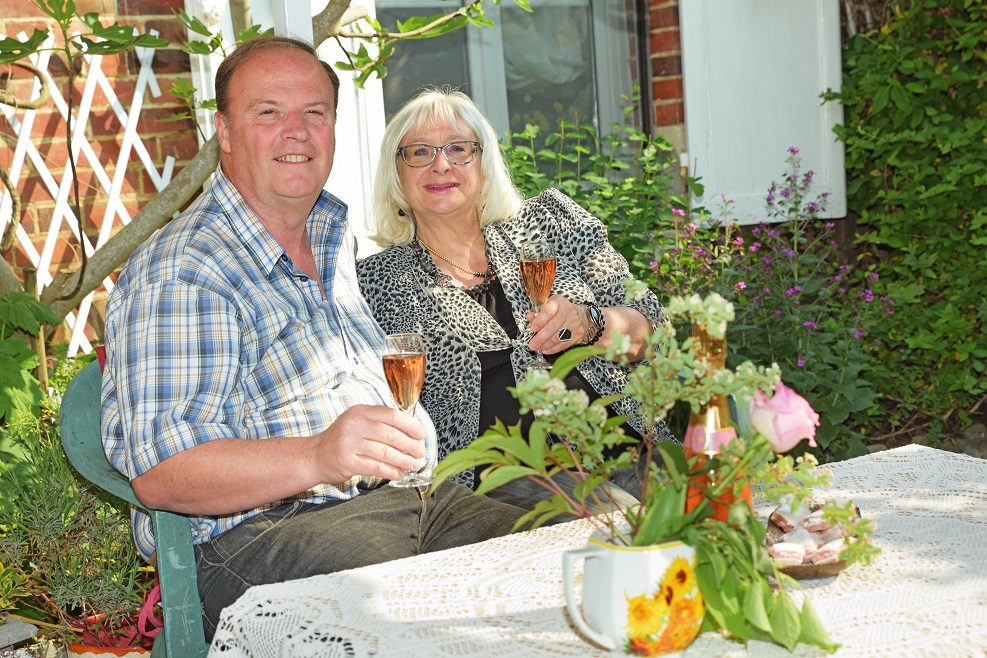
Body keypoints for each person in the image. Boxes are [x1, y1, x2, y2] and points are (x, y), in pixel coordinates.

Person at [100, 38, 527, 640]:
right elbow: (164, 473)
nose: (296, 132)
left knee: (565, 557)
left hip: (410, 502)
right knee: (436, 621)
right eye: (268, 112)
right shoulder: (186, 269)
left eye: (314, 113)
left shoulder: (333, 237)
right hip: (261, 536)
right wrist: (317, 456)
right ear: (223, 130)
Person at [356, 88, 673, 503]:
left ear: (484, 164)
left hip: (630, 447)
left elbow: (657, 330)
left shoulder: (549, 224)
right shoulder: (377, 283)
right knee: (616, 520)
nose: (440, 164)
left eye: (458, 149)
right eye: (419, 152)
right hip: (510, 480)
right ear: (396, 174)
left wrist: (594, 323)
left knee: (717, 507)